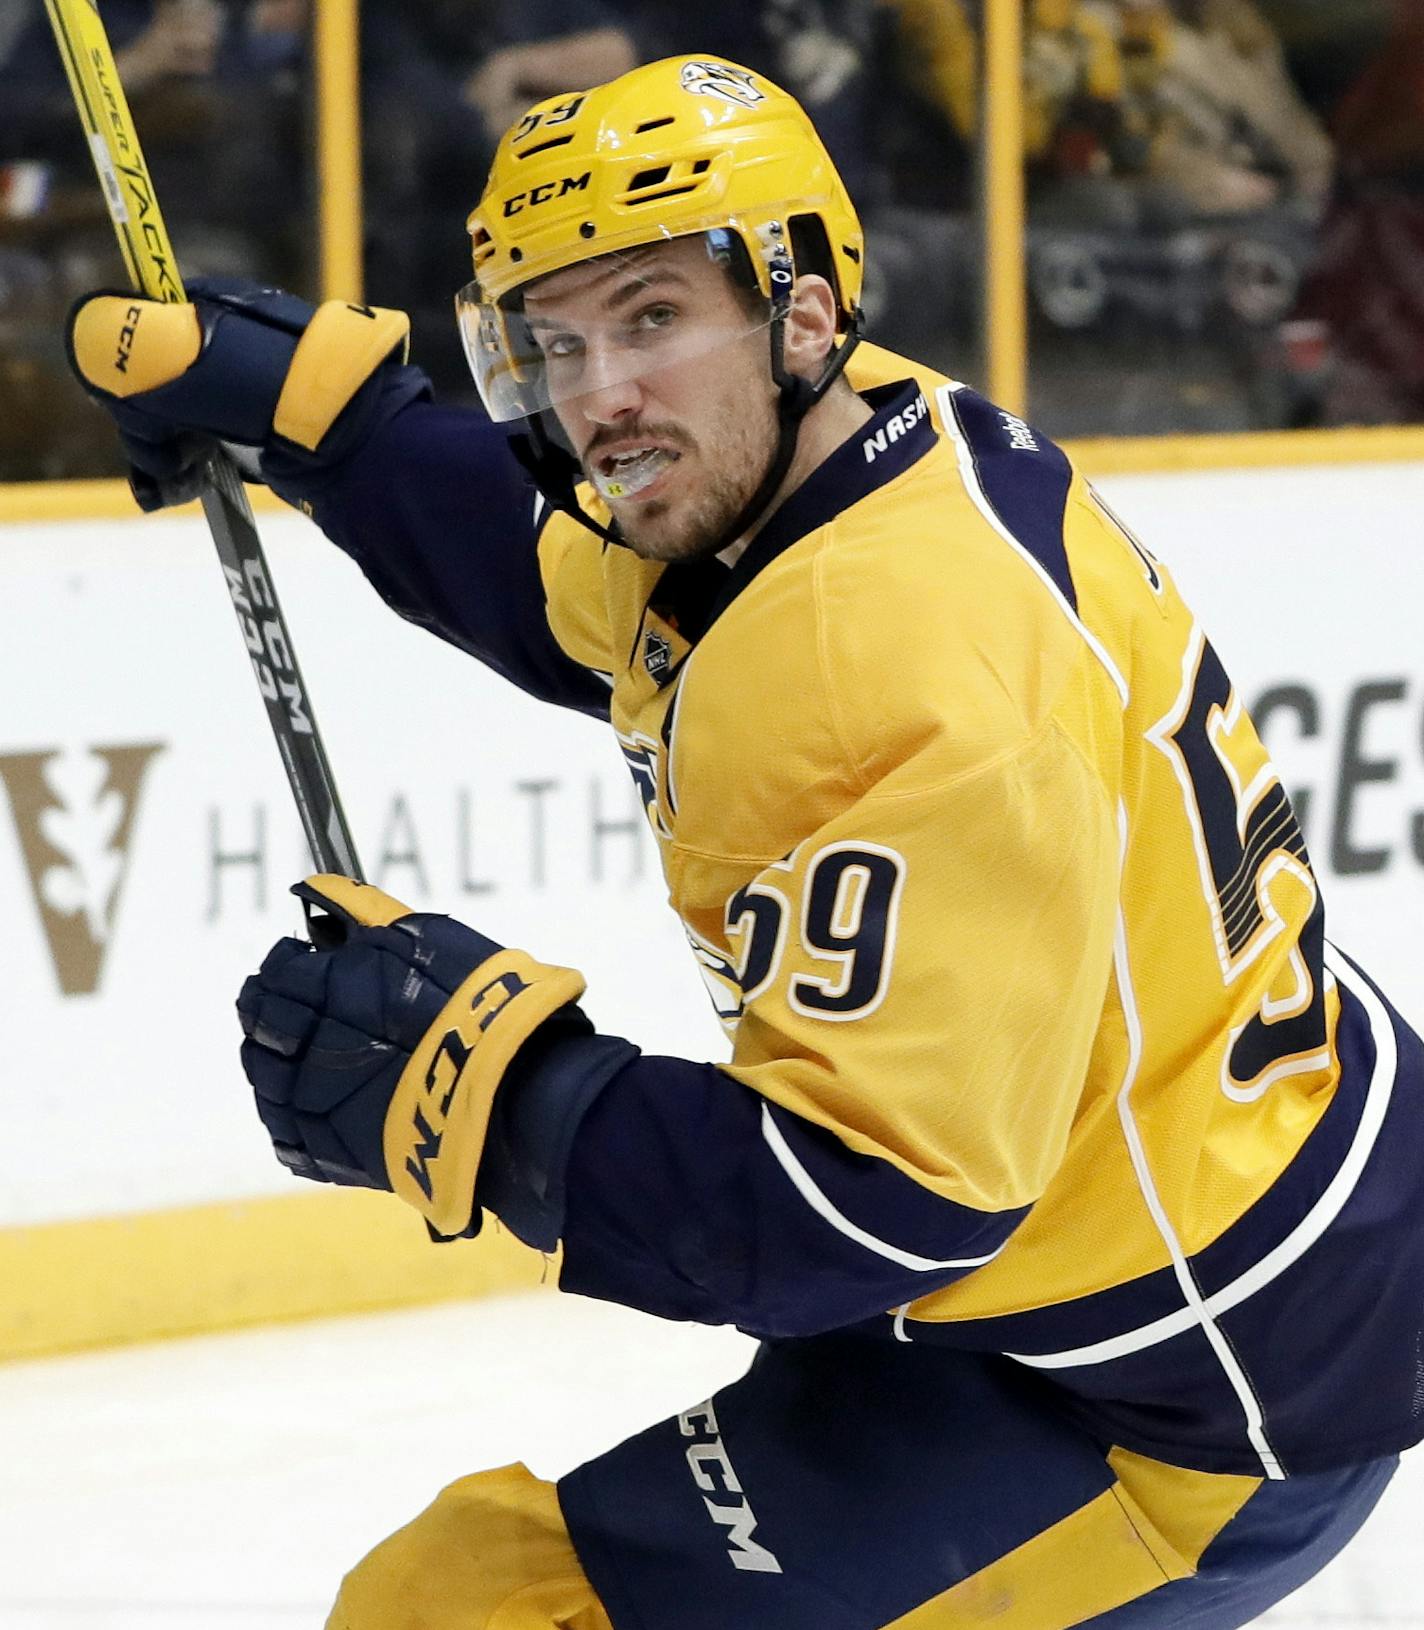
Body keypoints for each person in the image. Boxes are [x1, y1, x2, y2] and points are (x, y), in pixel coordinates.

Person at [64, 53, 1424, 1630]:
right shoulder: (850, 457)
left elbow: (877, 1206)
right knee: (451, 1598)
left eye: (650, 318)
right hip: (1103, 1256)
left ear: (803, 308)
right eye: (556, 341)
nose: (597, 398)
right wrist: (346, 435)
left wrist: (501, 1090)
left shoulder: (909, 666)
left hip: (1178, 1403)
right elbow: (581, 579)